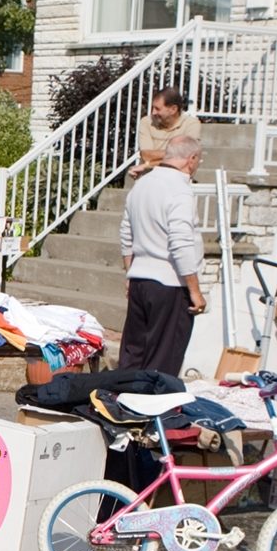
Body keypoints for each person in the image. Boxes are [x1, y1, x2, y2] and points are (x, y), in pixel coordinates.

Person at [117, 135, 205, 376]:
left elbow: (126, 233)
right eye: (198, 160)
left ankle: (121, 397)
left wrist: (130, 273)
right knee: (162, 364)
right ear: (191, 159)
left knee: (133, 355)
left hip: (140, 279)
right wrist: (195, 291)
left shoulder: (142, 184)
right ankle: (150, 401)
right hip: (170, 284)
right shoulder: (180, 190)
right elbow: (181, 243)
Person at [129, 87, 201, 179]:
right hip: (149, 178)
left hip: (176, 179)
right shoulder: (146, 122)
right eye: (153, 108)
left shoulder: (191, 124)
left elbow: (188, 157)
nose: (153, 112)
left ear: (173, 109)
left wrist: (147, 165)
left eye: (157, 109)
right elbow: (146, 155)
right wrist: (176, 154)